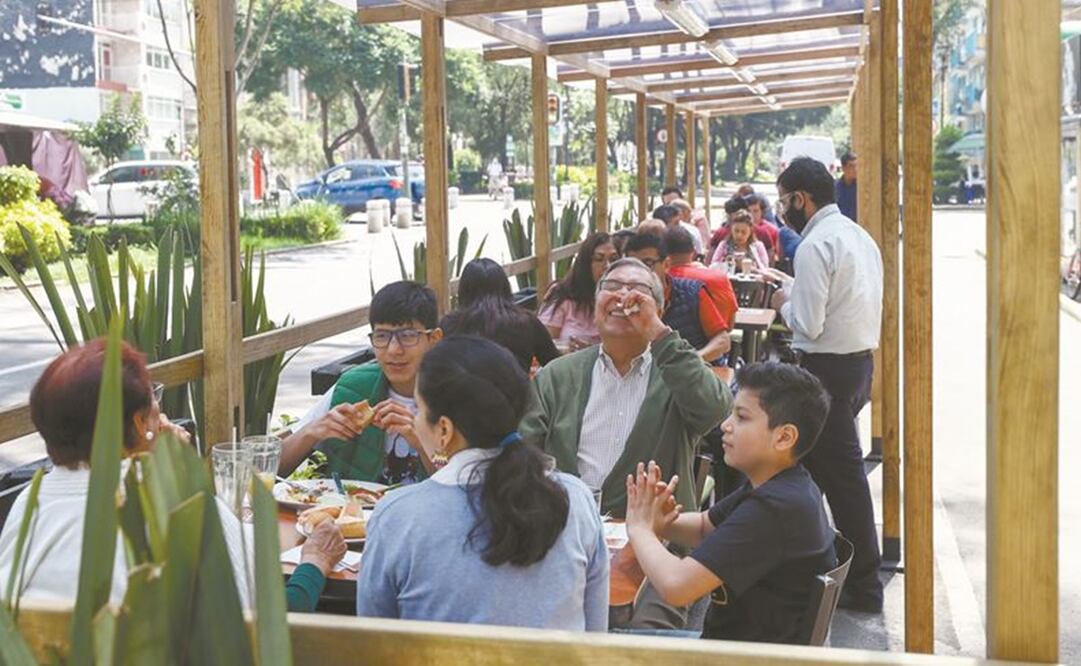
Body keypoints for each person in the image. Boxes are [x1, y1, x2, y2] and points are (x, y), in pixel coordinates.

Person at [520, 257, 729, 630]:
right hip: (562, 536)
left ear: (659, 306)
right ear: (595, 302)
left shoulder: (677, 373)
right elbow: (524, 454)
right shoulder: (558, 375)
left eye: (639, 291)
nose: (623, 297)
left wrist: (658, 333)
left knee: (643, 637)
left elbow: (714, 409)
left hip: (654, 547)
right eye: (611, 287)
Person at [356, 336, 609, 631]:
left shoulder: (398, 517)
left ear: (445, 429)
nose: (415, 420)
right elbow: (596, 635)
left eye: (419, 409)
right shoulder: (575, 499)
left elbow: (374, 646)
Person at [0, 340, 256, 607]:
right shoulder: (183, 504)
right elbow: (253, 599)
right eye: (153, 397)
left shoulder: (31, 503)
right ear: (139, 421)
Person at [623, 362, 837, 644]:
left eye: (742, 417)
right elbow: (703, 527)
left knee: (592, 644)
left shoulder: (776, 509)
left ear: (784, 437)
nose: (725, 425)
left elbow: (676, 586)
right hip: (730, 649)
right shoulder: (784, 484)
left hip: (737, 658)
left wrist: (640, 529)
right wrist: (660, 521)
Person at [764, 156, 884, 613]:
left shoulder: (814, 246)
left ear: (800, 198)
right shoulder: (856, 236)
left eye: (784, 200)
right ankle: (809, 569)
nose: (783, 209)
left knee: (841, 481)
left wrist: (782, 300)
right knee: (809, 471)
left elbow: (808, 324)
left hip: (824, 373)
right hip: (856, 369)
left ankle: (863, 584)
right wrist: (796, 287)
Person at [280, 281, 442, 485]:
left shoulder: (456, 394)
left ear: (434, 338)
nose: (393, 350)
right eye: (382, 336)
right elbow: (271, 472)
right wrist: (311, 432)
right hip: (351, 514)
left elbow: (466, 493)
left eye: (407, 336)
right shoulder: (354, 387)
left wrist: (420, 441)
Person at [624, 233, 731, 363]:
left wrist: (690, 361)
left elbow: (723, 341)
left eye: (648, 263)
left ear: (666, 264)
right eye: (633, 266)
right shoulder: (624, 301)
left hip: (694, 374)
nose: (639, 273)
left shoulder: (693, 293)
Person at [440, 258, 559, 372]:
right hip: (515, 391)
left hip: (463, 392)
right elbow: (554, 365)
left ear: (463, 291)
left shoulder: (449, 325)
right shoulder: (527, 322)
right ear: (505, 287)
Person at [537, 232, 619, 353]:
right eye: (599, 259)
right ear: (585, 264)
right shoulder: (563, 296)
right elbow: (542, 344)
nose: (607, 266)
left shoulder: (624, 300)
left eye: (613, 260)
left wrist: (592, 352)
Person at [664, 226, 738, 332]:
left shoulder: (660, 280)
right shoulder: (719, 278)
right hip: (714, 343)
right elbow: (729, 325)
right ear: (693, 252)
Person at [835, 152, 857, 222]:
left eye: (857, 166)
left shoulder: (861, 189)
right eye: (851, 166)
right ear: (844, 168)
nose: (855, 169)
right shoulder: (835, 188)